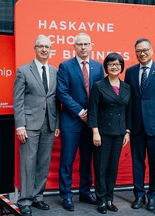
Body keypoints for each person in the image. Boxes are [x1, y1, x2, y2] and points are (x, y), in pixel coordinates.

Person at [56, 32, 104, 211]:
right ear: (74, 47)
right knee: (67, 160)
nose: (83, 47)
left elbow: (101, 93)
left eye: (86, 44)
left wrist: (90, 115)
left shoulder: (99, 67)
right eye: (80, 44)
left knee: (87, 159)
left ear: (91, 46)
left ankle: (85, 192)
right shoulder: (65, 66)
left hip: (91, 122)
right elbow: (62, 93)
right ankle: (66, 195)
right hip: (71, 121)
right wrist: (79, 112)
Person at [13, 34, 60, 216]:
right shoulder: (23, 71)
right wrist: (20, 126)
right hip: (29, 125)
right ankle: (24, 200)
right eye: (40, 46)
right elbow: (18, 101)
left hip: (49, 124)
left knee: (43, 163)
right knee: (28, 163)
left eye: (47, 47)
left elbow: (56, 100)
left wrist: (57, 123)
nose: (44, 49)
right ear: (35, 48)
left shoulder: (55, 71)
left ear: (50, 49)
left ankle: (38, 197)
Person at [124, 38, 155, 211]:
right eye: (138, 51)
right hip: (136, 127)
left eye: (145, 50)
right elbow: (128, 102)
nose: (142, 54)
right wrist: (127, 127)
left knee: (154, 163)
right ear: (135, 52)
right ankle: (139, 195)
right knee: (137, 163)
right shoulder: (130, 72)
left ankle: (152, 196)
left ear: (151, 50)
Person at [88, 53, 131, 214]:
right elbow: (92, 111)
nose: (115, 67)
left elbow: (129, 112)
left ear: (121, 67)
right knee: (101, 168)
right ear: (106, 67)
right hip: (102, 133)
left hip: (119, 133)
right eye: (111, 64)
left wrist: (127, 131)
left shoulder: (127, 87)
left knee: (113, 168)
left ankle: (109, 199)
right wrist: (95, 132)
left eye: (118, 64)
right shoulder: (98, 85)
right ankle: (101, 200)